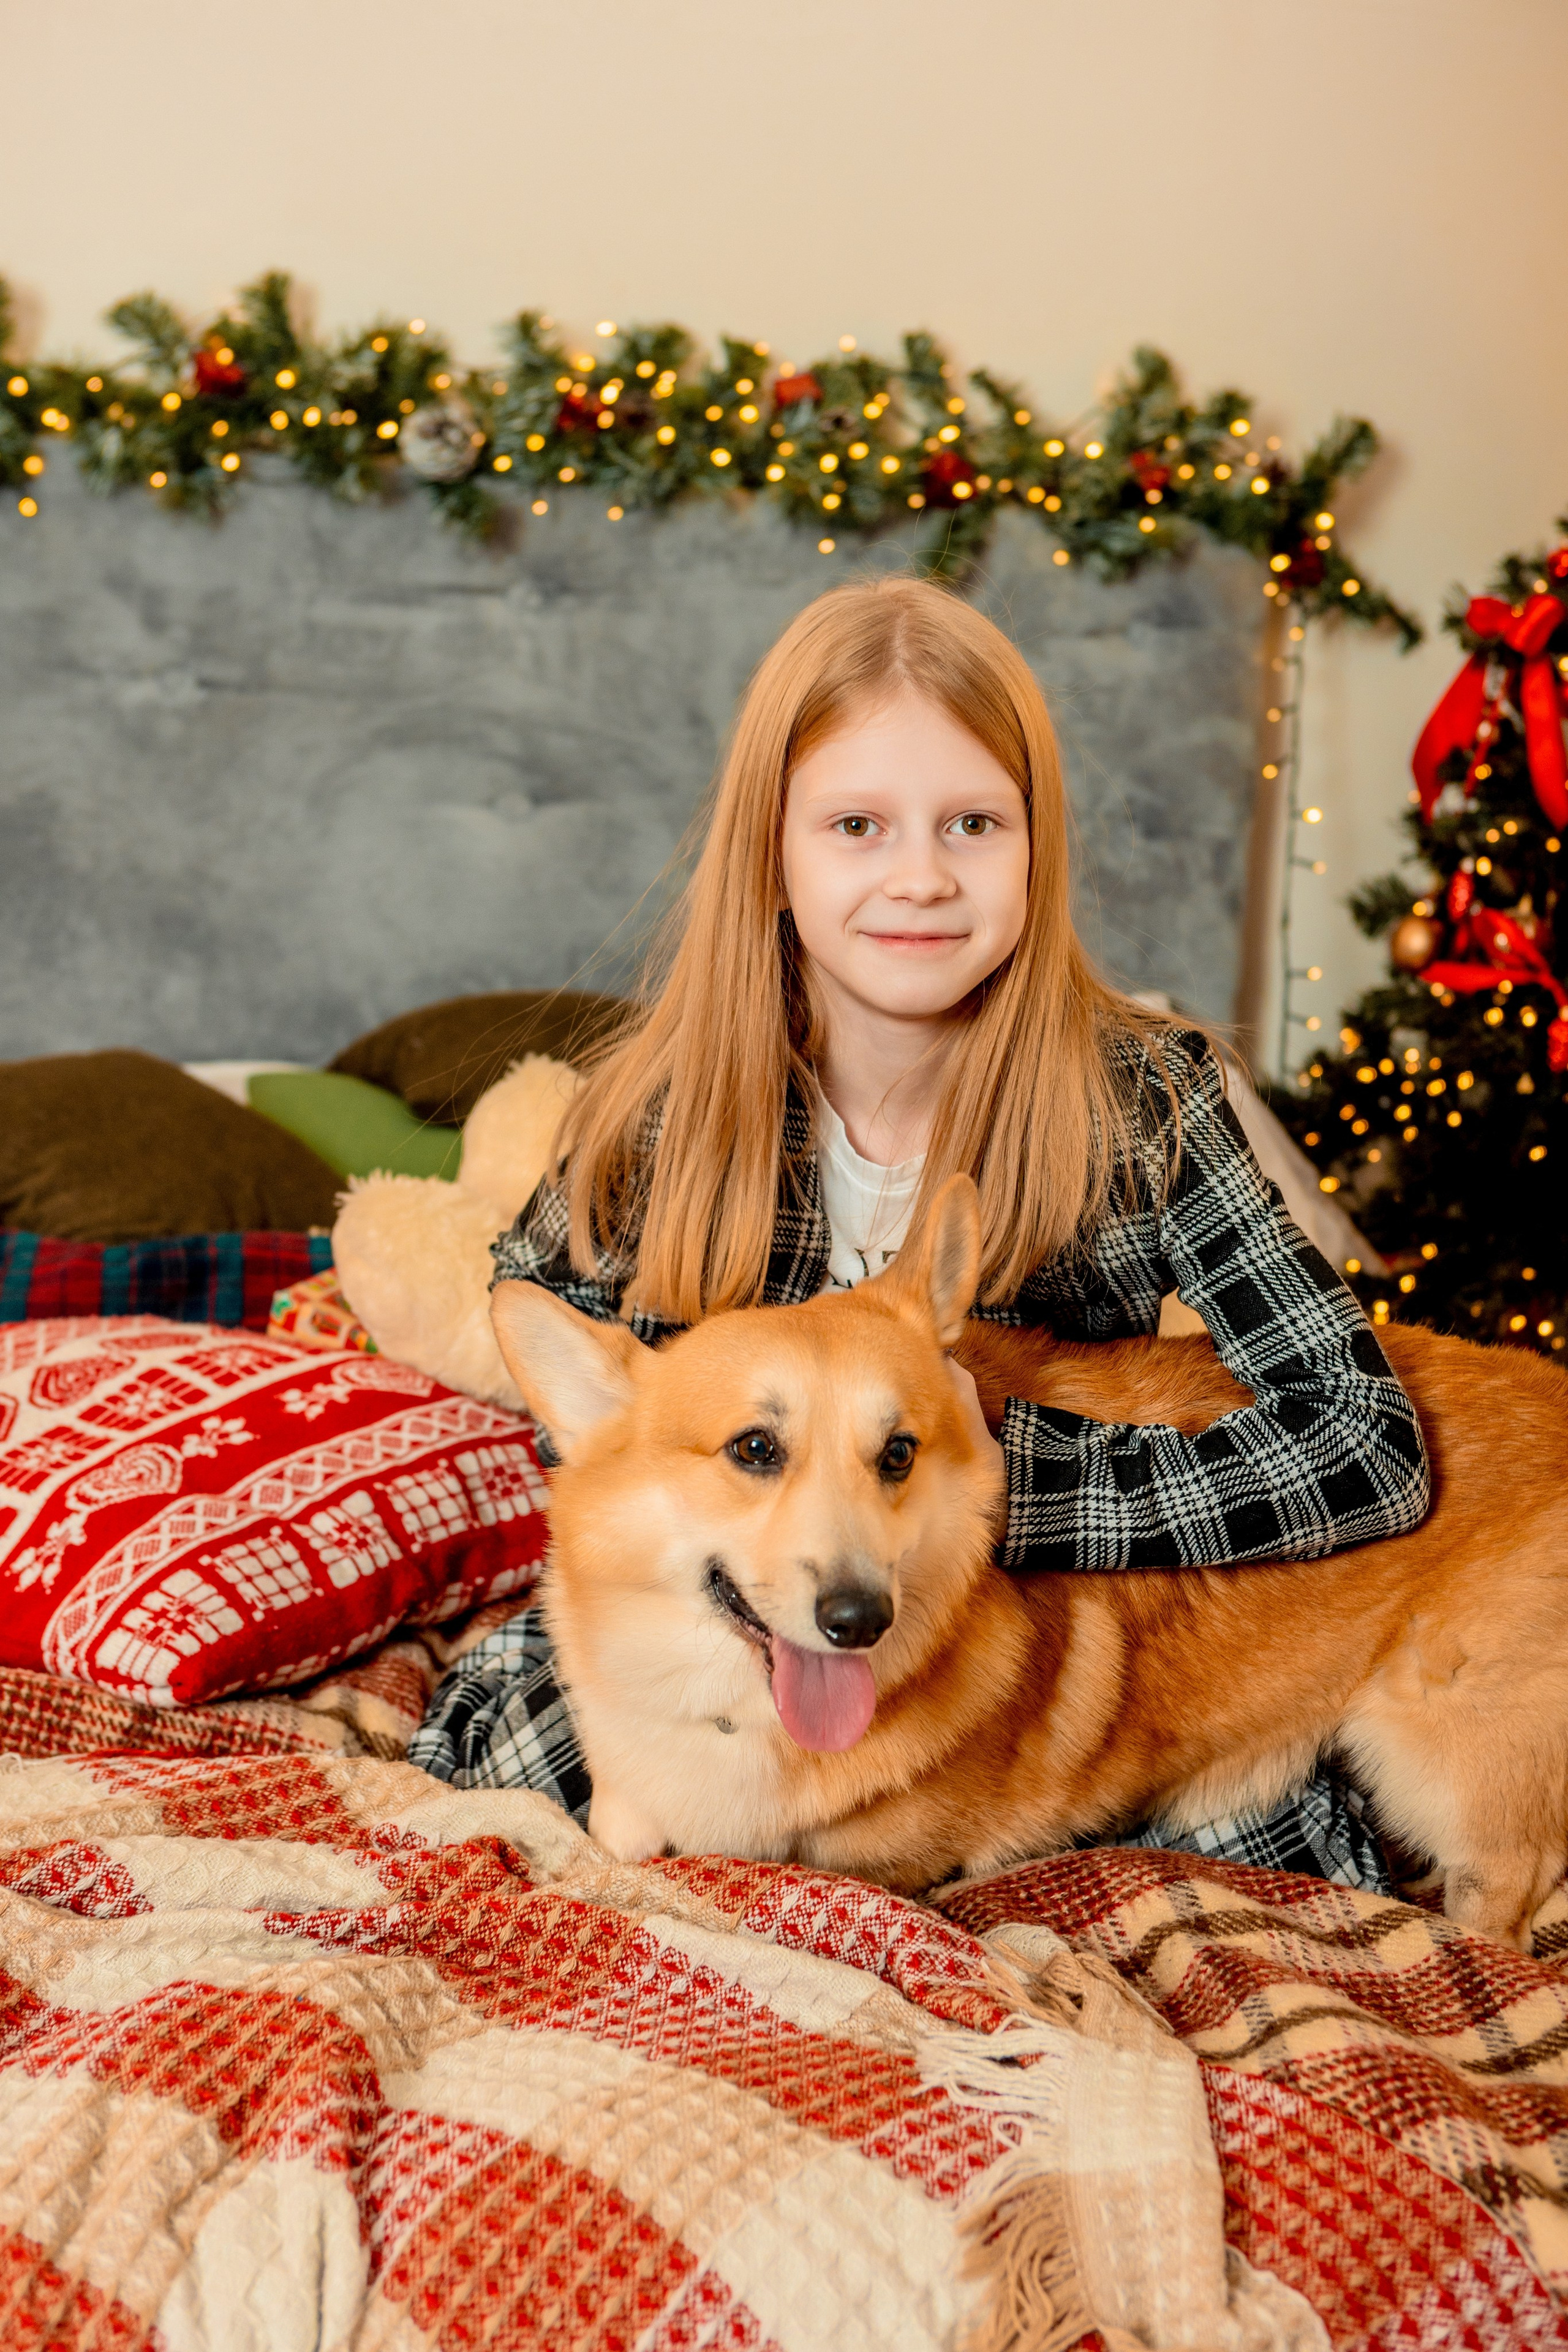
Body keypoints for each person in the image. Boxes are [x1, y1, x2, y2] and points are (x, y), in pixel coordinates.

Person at [409, 576, 1430, 1890]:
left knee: (1251, 1849)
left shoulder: (1143, 1099)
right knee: (510, 1772)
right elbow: (556, 1366)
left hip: (1003, 1630)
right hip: (717, 1625)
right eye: (854, 825)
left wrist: (994, 1489)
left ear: (1033, 847)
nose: (919, 878)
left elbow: (1362, 1442)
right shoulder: (659, 1115)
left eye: (970, 823)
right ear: (770, 852)